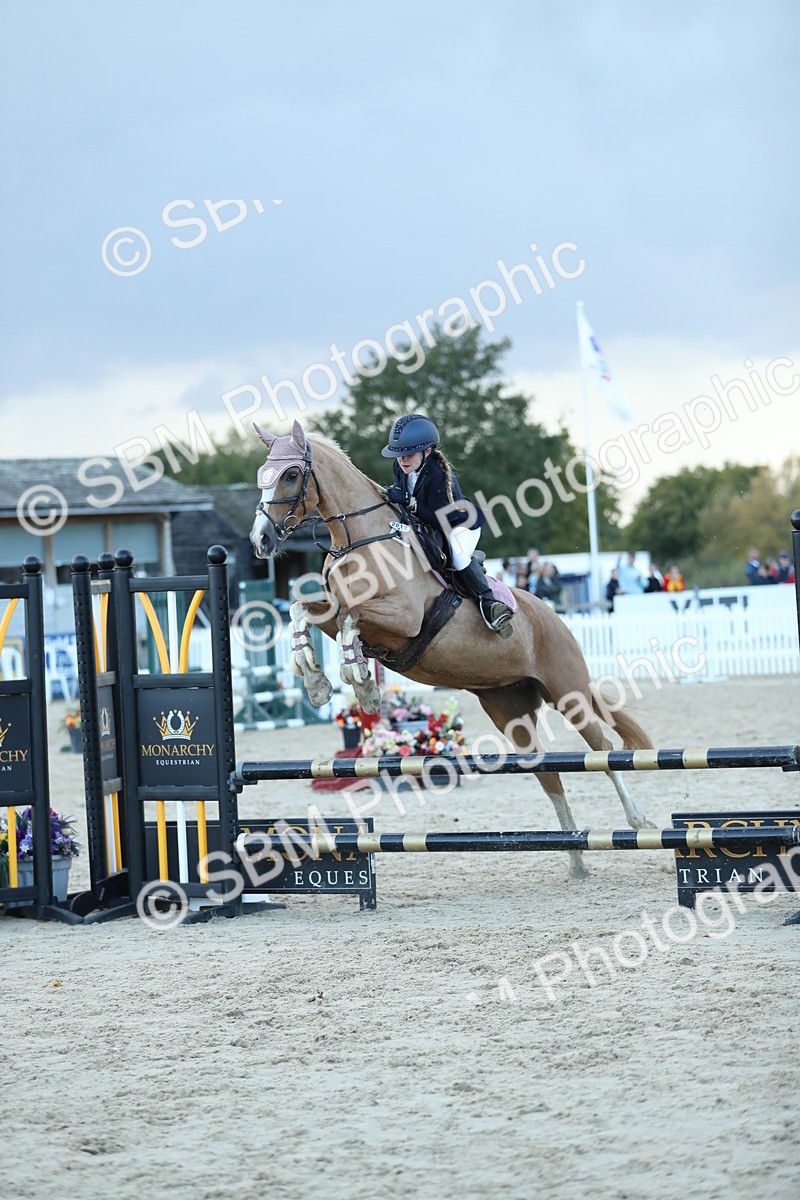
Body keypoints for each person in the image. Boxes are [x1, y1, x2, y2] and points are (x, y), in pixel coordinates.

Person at [382, 413, 513, 637]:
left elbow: (438, 519)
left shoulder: (439, 475)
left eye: (409, 455)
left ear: (427, 451)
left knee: (458, 556)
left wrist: (409, 502)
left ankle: (490, 604)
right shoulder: (400, 467)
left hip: (459, 524)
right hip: (429, 522)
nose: (403, 460)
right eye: (399, 455)